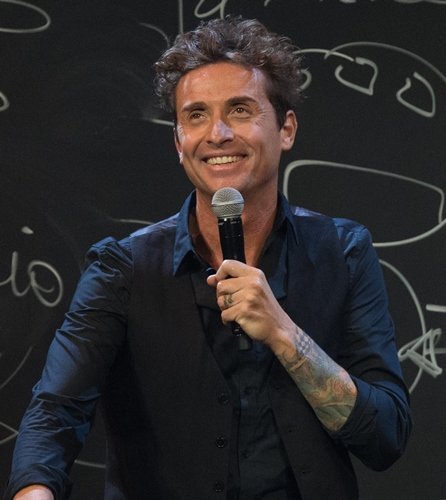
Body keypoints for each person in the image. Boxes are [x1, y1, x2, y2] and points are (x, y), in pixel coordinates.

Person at [4, 16, 412, 500]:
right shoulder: (123, 269)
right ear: (179, 143)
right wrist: (35, 492)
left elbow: (385, 436)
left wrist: (284, 333)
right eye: (196, 115)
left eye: (239, 110)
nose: (217, 133)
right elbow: (56, 410)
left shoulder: (343, 252)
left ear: (286, 129)